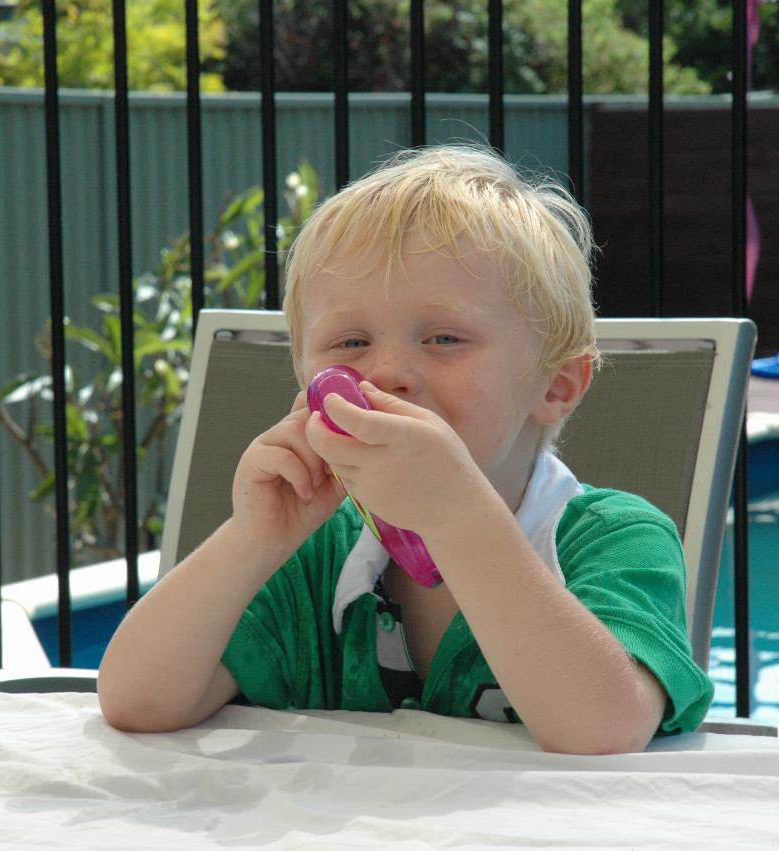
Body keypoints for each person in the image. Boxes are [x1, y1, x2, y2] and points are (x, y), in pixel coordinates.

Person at [98, 146, 714, 755]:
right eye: (351, 341)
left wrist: (458, 517)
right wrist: (255, 538)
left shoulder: (613, 541)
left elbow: (605, 731)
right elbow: (137, 704)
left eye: (445, 338)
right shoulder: (312, 555)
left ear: (556, 385)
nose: (388, 371)